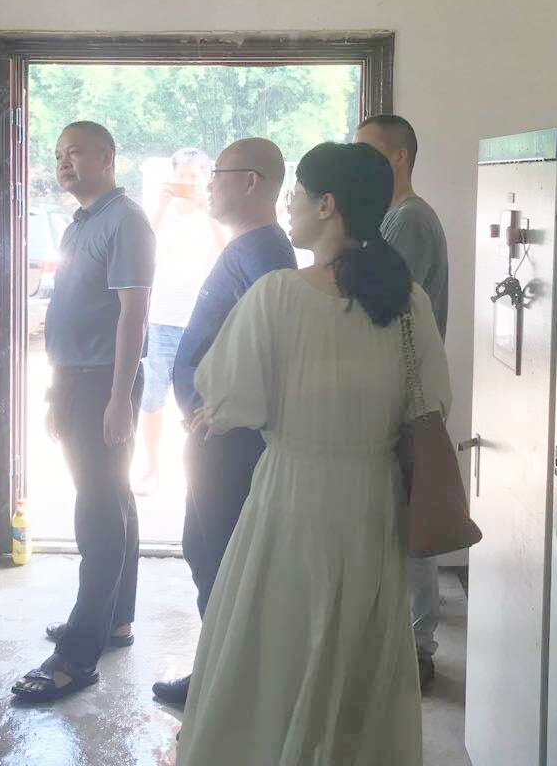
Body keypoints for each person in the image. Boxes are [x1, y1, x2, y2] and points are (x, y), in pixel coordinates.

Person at [175, 142, 452, 765]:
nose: (289, 206)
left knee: (279, 639)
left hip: (291, 495)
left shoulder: (277, 295)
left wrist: (216, 413)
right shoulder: (407, 302)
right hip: (371, 498)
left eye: (297, 194)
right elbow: (431, 400)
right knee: (355, 647)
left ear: (327, 205)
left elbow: (230, 400)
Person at [11, 121, 155, 703]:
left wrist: (119, 397)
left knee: (98, 513)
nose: (63, 163)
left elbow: (133, 316)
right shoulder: (82, 222)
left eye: (74, 152)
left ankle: (78, 656)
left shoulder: (126, 221)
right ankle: (115, 620)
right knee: (111, 499)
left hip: (103, 383)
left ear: (107, 157)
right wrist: (55, 391)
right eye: (58, 155)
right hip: (75, 379)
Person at [151, 138, 296, 708]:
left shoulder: (265, 253)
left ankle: (229, 686)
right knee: (206, 549)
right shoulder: (249, 245)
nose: (208, 183)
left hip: (231, 439)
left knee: (222, 558)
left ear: (251, 181)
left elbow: (274, 348)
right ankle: (221, 672)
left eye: (219, 173)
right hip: (215, 432)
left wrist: (225, 410)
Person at [356, 113, 450, 689]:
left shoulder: (409, 220)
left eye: (367, 151)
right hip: (398, 389)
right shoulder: (392, 218)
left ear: (399, 157)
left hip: (408, 394)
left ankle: (418, 648)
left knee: (414, 521)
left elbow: (383, 307)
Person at [135, 147, 225, 495]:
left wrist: (208, 212)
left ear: (206, 179)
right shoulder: (160, 212)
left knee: (200, 402)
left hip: (199, 323)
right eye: (182, 175)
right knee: (151, 399)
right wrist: (160, 206)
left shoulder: (213, 215)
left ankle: (200, 475)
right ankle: (151, 468)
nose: (187, 181)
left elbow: (227, 251)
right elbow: (141, 246)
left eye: (194, 176)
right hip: (160, 319)